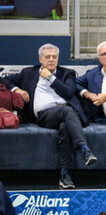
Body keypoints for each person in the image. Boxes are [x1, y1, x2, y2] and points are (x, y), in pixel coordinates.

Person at [0, 43, 97, 189]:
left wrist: (51, 78)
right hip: (44, 116)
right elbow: (3, 80)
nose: (51, 59)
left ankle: (65, 175)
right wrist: (17, 89)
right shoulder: (28, 73)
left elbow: (69, 93)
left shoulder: (67, 73)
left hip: (67, 115)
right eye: (47, 57)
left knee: (65, 126)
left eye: (54, 57)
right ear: (40, 59)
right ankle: (84, 148)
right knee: (66, 111)